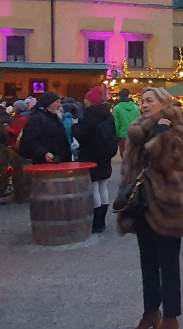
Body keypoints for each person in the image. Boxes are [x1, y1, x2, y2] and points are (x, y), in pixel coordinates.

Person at [116, 87, 183, 329]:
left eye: (150, 101)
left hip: (166, 206)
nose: (144, 105)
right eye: (142, 100)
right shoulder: (138, 128)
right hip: (142, 205)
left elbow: (167, 161)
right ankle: (150, 313)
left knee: (168, 266)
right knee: (147, 262)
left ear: (164, 103)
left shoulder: (174, 128)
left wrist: (160, 128)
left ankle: (171, 320)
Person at [74, 86, 120, 233]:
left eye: (86, 99)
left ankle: (96, 222)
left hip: (91, 156)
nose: (84, 102)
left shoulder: (89, 116)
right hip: (105, 156)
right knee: (103, 187)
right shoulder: (108, 115)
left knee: (94, 188)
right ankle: (102, 221)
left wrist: (75, 126)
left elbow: (81, 135)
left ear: (91, 101)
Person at [18, 92, 66, 164]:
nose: (60, 105)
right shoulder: (37, 119)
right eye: (57, 102)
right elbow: (30, 140)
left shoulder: (55, 118)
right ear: (50, 103)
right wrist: (44, 153)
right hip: (41, 162)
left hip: (56, 161)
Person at [112, 88, 140, 159]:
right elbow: (139, 120)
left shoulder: (117, 108)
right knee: (134, 152)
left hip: (123, 134)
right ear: (129, 95)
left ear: (119, 96)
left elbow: (116, 123)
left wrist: (117, 134)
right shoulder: (136, 107)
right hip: (134, 134)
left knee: (124, 153)